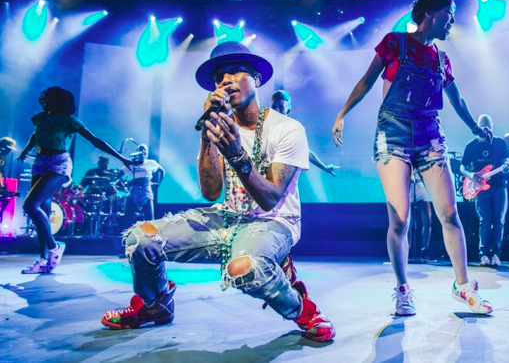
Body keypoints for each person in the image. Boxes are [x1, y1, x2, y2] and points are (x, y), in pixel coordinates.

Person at [100, 42, 336, 342]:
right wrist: (207, 136)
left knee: (245, 269)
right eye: (219, 77)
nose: (226, 80)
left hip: (274, 221)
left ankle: (303, 309)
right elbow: (211, 193)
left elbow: (270, 198)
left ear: (256, 79)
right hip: (228, 217)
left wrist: (237, 154)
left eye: (236, 71)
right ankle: (155, 304)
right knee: (140, 240)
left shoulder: (287, 129)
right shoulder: (219, 126)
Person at [332, 0, 493, 316]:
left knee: (449, 212)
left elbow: (457, 99)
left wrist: (476, 128)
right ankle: (403, 289)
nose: (453, 21)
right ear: (430, 14)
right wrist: (342, 114)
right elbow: (367, 80)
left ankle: (463, 287)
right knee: (401, 218)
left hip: (430, 135)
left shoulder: (441, 59)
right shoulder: (395, 43)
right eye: (449, 14)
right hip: (392, 135)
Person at [17, 87, 132, 274]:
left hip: (58, 164)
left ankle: (54, 247)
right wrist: (25, 151)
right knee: (42, 210)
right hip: (40, 162)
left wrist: (122, 158)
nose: (46, 100)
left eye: (50, 97)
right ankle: (43, 260)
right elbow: (35, 135)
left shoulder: (69, 121)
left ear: (59, 100)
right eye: (45, 97)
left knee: (30, 205)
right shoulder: (40, 117)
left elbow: (96, 141)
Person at [461, 115, 509, 267]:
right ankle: (483, 254)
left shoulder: (500, 143)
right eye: (483, 126)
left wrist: (507, 167)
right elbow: (462, 167)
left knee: (499, 220)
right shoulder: (471, 146)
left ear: (492, 126)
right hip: (480, 187)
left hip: (499, 185)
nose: (485, 129)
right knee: (485, 220)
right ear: (477, 127)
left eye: (488, 126)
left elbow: (506, 162)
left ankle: (496, 254)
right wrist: (471, 175)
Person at [271, 90, 340, 176]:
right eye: (274, 107)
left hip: (286, 178)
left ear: (288, 110)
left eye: (281, 107)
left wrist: (324, 167)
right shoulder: (267, 128)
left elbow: (306, 152)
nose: (276, 110)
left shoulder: (294, 129)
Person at [121, 144, 164, 226]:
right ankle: (128, 231)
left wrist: (158, 183)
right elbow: (119, 175)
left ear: (146, 153)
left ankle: (150, 233)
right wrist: (124, 184)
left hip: (146, 191)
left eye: (144, 150)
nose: (142, 151)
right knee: (128, 217)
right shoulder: (131, 164)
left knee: (149, 218)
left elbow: (162, 171)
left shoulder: (150, 163)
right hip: (134, 191)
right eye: (140, 150)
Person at [409, 172, 432, 262]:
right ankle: (408, 249)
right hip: (408, 188)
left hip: (421, 187)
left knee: (427, 220)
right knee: (408, 222)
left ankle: (425, 249)